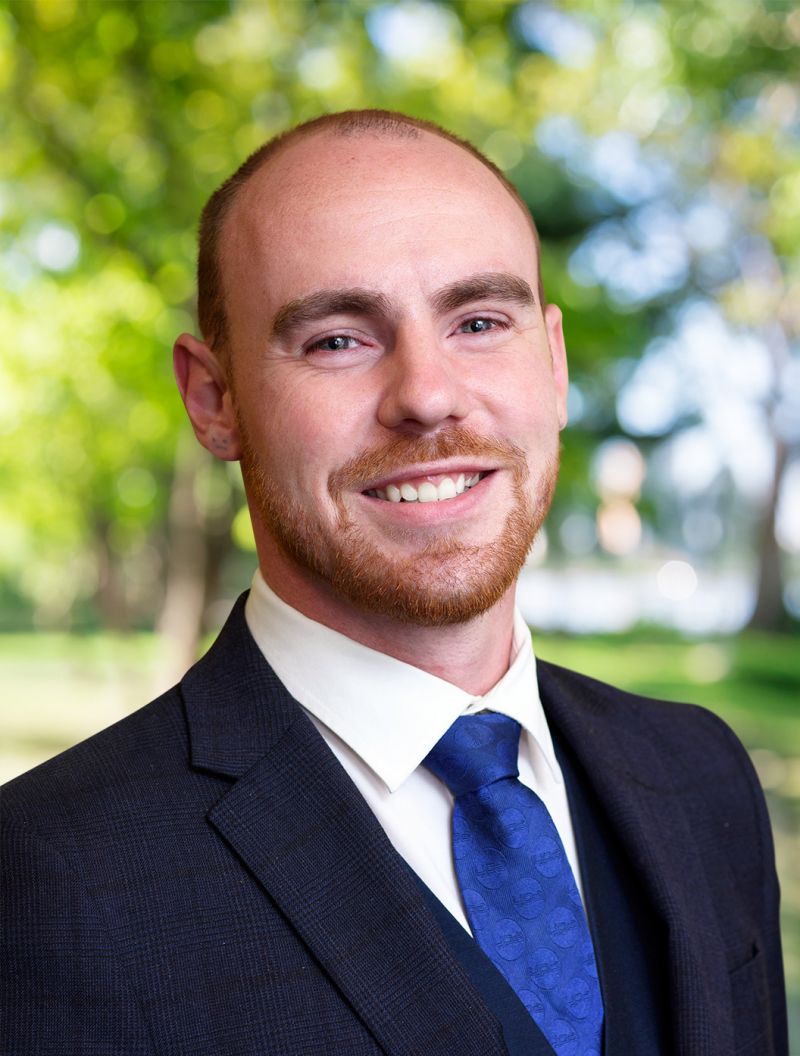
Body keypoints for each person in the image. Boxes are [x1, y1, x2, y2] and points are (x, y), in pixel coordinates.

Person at [1, 110, 787, 1056]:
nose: (427, 394)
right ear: (215, 400)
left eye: (480, 322)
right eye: (337, 339)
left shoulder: (702, 774)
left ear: (554, 362)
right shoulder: (47, 883)